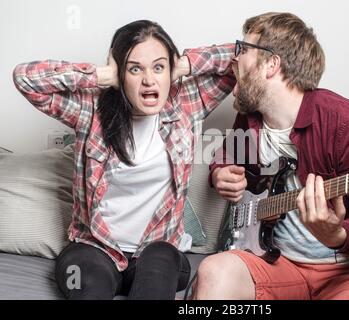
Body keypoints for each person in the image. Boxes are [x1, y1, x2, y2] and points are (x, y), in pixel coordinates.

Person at [193, 12, 349, 300]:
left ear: (272, 64)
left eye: (243, 50)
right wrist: (219, 171)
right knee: (213, 271)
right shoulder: (249, 118)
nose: (235, 59)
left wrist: (339, 235)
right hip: (279, 264)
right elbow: (227, 154)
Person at [13, 20, 235, 300]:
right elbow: (25, 78)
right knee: (83, 283)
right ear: (120, 74)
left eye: (158, 67)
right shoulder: (90, 111)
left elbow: (239, 58)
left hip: (159, 253)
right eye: (135, 68)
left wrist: (183, 64)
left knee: (159, 261)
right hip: (94, 250)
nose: (149, 80)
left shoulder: (186, 105)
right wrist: (100, 76)